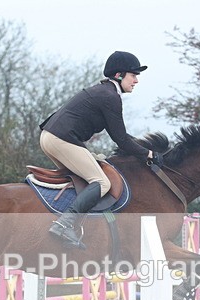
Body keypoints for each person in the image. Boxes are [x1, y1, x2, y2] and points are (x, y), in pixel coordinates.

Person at [39, 51, 160, 248]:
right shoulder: (110, 96)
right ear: (119, 75)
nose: (136, 80)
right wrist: (148, 154)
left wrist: (142, 149)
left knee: (81, 180)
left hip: (50, 137)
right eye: (133, 75)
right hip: (61, 139)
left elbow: (121, 136)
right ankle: (63, 224)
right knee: (101, 182)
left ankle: (69, 224)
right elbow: (121, 140)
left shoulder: (103, 92)